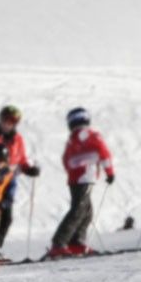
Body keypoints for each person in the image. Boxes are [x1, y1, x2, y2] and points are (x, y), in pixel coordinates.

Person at [50, 107, 114, 258]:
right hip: (86, 176)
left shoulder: (72, 139)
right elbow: (103, 152)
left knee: (85, 210)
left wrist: (72, 171)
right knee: (79, 209)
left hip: (76, 178)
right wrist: (109, 172)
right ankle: (60, 242)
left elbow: (65, 159)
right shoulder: (91, 135)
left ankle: (76, 242)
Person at [0, 105, 41, 177]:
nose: (7, 124)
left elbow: (22, 159)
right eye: (5, 120)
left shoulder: (18, 139)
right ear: (0, 120)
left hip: (9, 177)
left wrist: (28, 169)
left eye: (12, 122)